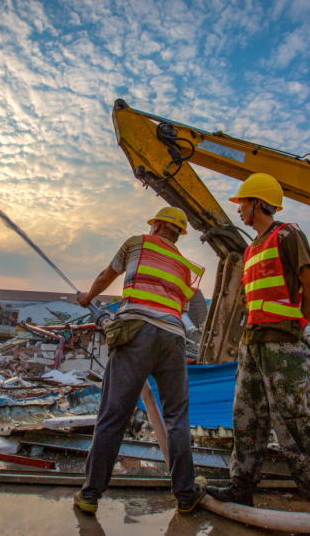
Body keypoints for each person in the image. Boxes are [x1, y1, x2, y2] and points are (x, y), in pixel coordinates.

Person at [206, 173, 310, 512]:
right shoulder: (250, 250)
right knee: (246, 418)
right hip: (253, 345)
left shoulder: (289, 236)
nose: (238, 209)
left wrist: (297, 328)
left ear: (259, 204)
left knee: (293, 421)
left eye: (243, 203)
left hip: (282, 347)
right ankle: (242, 487)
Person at [73, 206, 208, 515]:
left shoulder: (138, 243)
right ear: (179, 233)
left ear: (157, 225)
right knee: (176, 418)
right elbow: (181, 306)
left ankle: (90, 495)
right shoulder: (185, 266)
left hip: (136, 333)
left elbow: (107, 275)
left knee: (114, 414)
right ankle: (186, 494)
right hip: (173, 339)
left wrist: (88, 297)